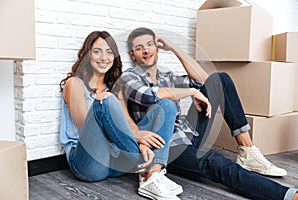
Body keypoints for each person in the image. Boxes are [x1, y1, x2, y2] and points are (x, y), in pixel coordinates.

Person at [114, 27, 298, 200]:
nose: (146, 50)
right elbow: (150, 96)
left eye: (149, 44)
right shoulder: (129, 77)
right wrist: (192, 92)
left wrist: (176, 49)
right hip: (168, 147)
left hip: (189, 133)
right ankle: (290, 195)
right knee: (217, 163)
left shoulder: (166, 76)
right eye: (139, 48)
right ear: (132, 54)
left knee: (220, 79)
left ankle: (247, 150)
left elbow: (204, 80)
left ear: (157, 48)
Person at [59, 30, 183, 200]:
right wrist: (137, 140)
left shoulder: (115, 88)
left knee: (166, 105)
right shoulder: (75, 84)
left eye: (109, 52)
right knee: (105, 101)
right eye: (97, 51)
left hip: (118, 160)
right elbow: (84, 126)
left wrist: (139, 136)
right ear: (87, 55)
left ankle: (153, 175)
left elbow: (127, 122)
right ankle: (146, 168)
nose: (104, 57)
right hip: (89, 162)